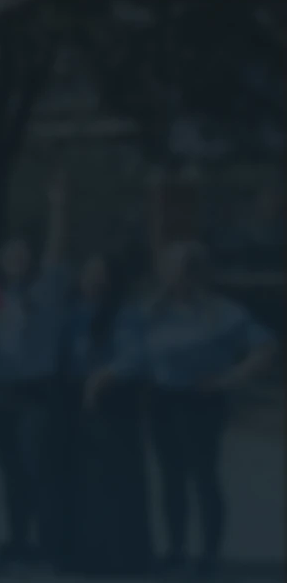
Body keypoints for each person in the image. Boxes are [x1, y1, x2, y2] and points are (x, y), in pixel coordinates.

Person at [87, 242, 277, 577]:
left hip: (202, 401)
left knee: (204, 478)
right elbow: (132, 353)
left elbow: (265, 346)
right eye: (173, 268)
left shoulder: (222, 311)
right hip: (162, 399)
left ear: (200, 272)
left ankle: (209, 553)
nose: (179, 275)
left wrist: (230, 378)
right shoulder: (149, 311)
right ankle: (176, 549)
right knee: (171, 478)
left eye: (188, 268)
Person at [0, 176, 71, 564]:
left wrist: (59, 208)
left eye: (22, 254)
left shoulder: (45, 290)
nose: (16, 259)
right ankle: (18, 541)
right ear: (1, 261)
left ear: (30, 260)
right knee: (11, 473)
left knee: (36, 469)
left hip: (35, 394)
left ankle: (49, 543)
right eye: (9, 255)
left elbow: (56, 250)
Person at [57, 255, 154, 576]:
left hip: (111, 405)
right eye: (87, 273)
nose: (92, 280)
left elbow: (135, 356)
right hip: (73, 402)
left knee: (112, 484)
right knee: (78, 484)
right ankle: (81, 555)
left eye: (100, 275)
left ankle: (119, 560)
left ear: (113, 281)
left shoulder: (124, 314)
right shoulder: (71, 312)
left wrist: (101, 378)